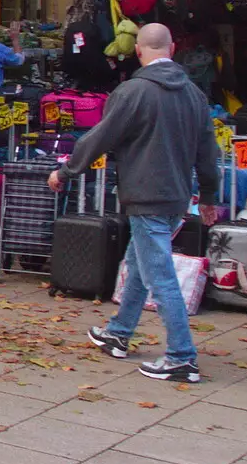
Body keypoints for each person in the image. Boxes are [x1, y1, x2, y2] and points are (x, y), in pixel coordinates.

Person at [51, 23, 220, 384]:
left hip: (145, 194)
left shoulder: (133, 92)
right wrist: (208, 196)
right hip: (176, 195)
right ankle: (119, 332)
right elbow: (209, 151)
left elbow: (100, 137)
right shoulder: (194, 95)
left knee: (159, 275)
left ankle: (181, 356)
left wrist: (66, 172)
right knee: (140, 265)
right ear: (172, 49)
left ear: (139, 51)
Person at [60, 0, 116, 92]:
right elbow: (105, 40)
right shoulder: (96, 25)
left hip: (72, 64)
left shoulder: (72, 27)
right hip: (93, 67)